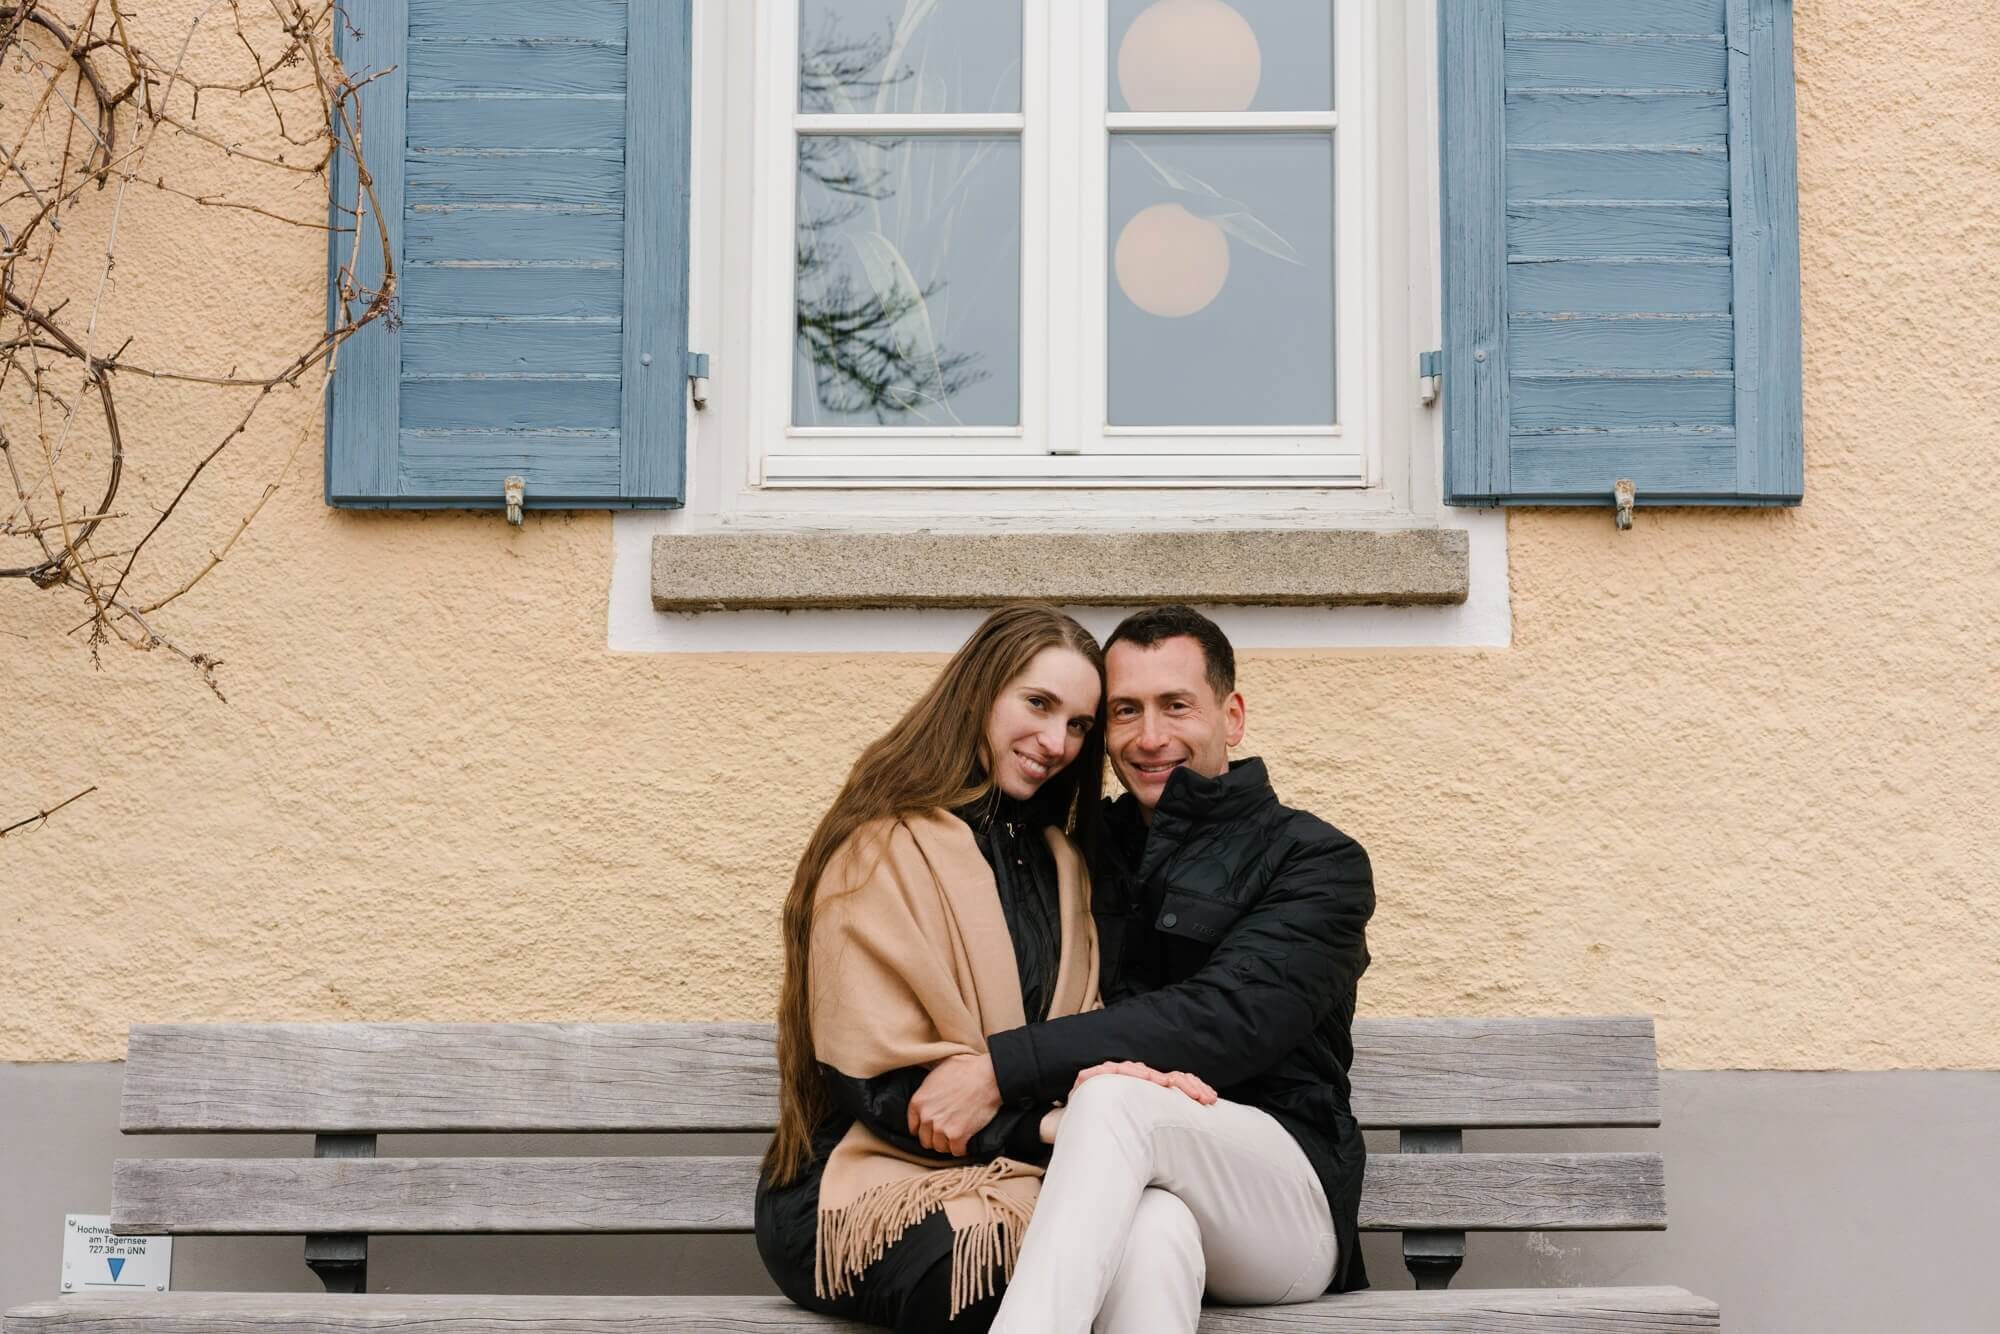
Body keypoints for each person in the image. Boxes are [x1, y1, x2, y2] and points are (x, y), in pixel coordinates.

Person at [906, 604, 1375, 1333]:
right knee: (1152, 1233)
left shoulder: (1315, 860)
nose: (1150, 737)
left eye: (1176, 706)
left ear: (1233, 715)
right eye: (1125, 711)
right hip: (1131, 1186)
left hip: (1285, 1203)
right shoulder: (1083, 854)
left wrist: (1002, 1069)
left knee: (1118, 1100)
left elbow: (1225, 1020)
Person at [754, 604, 1216, 1332]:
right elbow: (873, 1083)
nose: (1055, 741)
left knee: (1137, 1249)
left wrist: (1103, 1100)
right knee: (994, 1274)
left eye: (1078, 724)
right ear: (980, 692)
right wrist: (1043, 1129)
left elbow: (1080, 1034)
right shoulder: (882, 846)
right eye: (1037, 704)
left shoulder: (1066, 866)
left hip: (1019, 1176)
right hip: (863, 1179)